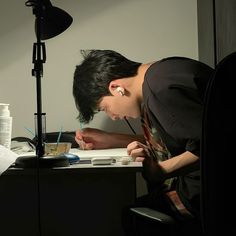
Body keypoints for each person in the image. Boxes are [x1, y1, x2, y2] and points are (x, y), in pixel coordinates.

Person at [72, 49, 214, 234]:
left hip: (209, 197)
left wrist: (160, 171)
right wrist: (111, 139)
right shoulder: (159, 74)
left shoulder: (161, 90)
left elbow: (213, 147)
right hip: (204, 188)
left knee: (125, 215)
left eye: (105, 108)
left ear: (116, 88)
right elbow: (180, 137)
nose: (113, 117)